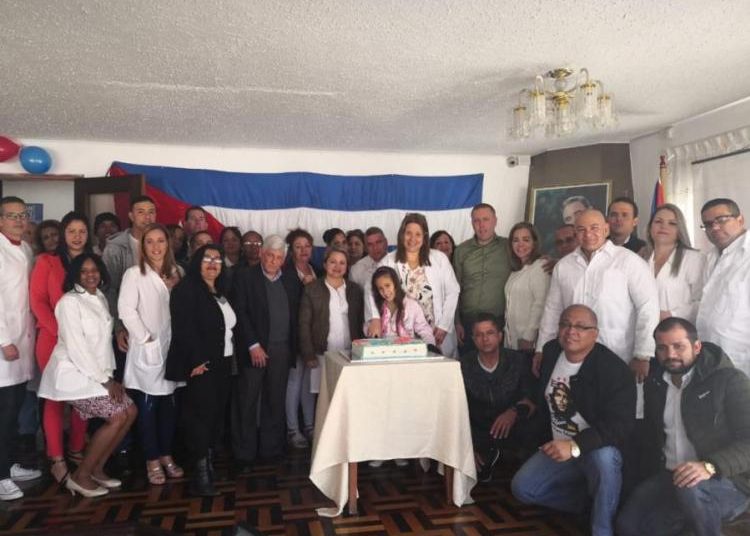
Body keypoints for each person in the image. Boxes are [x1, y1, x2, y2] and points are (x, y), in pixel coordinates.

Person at [617, 317, 750, 536]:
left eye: (679, 346)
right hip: (669, 476)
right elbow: (645, 434)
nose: (670, 355)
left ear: (696, 347)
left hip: (726, 479)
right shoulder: (655, 383)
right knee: (627, 526)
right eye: (662, 348)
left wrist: (709, 466)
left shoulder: (730, 380)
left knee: (690, 489)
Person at [512, 305, 636, 536]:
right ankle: (590, 505)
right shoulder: (550, 352)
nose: (571, 331)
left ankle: (602, 528)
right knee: (523, 488)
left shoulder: (613, 369)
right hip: (557, 446)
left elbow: (620, 426)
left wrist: (576, 445)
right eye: (566, 324)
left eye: (581, 327)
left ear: (595, 334)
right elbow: (540, 393)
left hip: (594, 448)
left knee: (604, 458)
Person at [38, 254, 137, 497]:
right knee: (117, 415)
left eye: (94, 270)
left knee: (130, 411)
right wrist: (105, 381)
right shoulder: (69, 302)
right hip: (73, 374)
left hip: (96, 373)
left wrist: (109, 376)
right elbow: (77, 348)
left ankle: (96, 469)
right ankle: (80, 476)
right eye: (84, 271)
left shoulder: (100, 297)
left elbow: (102, 346)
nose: (90, 275)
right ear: (75, 275)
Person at [534, 210, 659, 390]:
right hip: (573, 354)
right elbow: (552, 311)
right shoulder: (564, 266)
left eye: (595, 228)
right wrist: (541, 349)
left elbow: (648, 307)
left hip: (618, 352)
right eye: (581, 230)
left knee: (615, 407)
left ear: (606, 229)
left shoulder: (629, 261)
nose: (588, 234)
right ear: (575, 233)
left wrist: (643, 354)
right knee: (576, 408)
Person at [165, 244, 236, 496]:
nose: (212, 263)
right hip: (201, 365)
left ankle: (209, 467)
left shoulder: (220, 290)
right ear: (197, 262)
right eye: (207, 258)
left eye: (217, 259)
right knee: (200, 418)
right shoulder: (187, 290)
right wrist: (194, 361)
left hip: (223, 362)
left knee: (215, 416)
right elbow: (183, 329)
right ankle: (201, 476)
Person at [118, 224, 184, 486]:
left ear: (168, 244)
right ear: (142, 247)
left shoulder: (176, 273)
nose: (156, 247)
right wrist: (146, 339)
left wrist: (172, 289)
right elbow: (126, 309)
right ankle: (152, 459)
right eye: (150, 242)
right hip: (148, 350)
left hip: (172, 350)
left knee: (169, 406)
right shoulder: (134, 274)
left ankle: (166, 454)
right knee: (148, 408)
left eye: (161, 241)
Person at [30, 211, 93, 483]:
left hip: (87, 344)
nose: (77, 236)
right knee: (55, 400)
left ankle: (77, 450)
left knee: (83, 399)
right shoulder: (48, 261)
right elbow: (38, 302)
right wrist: (62, 333)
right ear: (63, 235)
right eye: (71, 231)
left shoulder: (92, 263)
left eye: (82, 231)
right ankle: (56, 457)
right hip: (54, 342)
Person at [231, 235, 301, 468]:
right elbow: (240, 313)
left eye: (278, 257)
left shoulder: (291, 279)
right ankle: (244, 452)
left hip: (282, 348)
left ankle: (271, 449)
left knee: (275, 399)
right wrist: (253, 344)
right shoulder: (245, 277)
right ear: (262, 254)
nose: (273, 261)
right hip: (255, 350)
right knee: (248, 400)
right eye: (270, 255)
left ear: (284, 260)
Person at [366, 213, 460, 357]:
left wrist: (444, 326)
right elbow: (370, 287)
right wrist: (375, 318)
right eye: (408, 233)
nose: (413, 239)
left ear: (424, 236)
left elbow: (453, 291)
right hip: (403, 334)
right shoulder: (389, 260)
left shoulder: (439, 259)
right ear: (402, 234)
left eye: (418, 234)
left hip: (436, 332)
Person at [0, 196, 41, 501]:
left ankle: (9, 465)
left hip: (23, 342)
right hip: (6, 345)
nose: (17, 220)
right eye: (11, 215)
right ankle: (1, 477)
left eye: (22, 215)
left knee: (13, 413)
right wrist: (3, 340)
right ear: (0, 220)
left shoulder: (25, 249)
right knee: (3, 413)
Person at [461, 313, 534, 482]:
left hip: (513, 428)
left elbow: (532, 401)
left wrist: (513, 412)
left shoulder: (518, 361)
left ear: (500, 336)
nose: (485, 339)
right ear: (473, 339)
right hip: (480, 431)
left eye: (490, 333)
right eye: (479, 335)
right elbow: (457, 409)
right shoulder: (464, 365)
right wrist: (466, 444)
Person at [696, 198, 750, 376]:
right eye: (708, 224)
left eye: (721, 220)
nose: (715, 228)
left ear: (740, 219)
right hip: (709, 357)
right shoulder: (711, 257)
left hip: (741, 360)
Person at [453, 203, 511, 354]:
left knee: (499, 370)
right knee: (468, 368)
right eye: (476, 220)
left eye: (486, 219)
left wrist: (549, 261)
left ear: (495, 220)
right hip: (468, 323)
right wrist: (457, 322)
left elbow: (529, 263)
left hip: (499, 322)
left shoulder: (509, 247)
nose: (481, 225)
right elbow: (454, 289)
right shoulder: (461, 250)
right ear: (472, 222)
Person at [103, 195, 157, 353]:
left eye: (151, 212)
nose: (147, 217)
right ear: (131, 216)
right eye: (141, 212)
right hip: (127, 324)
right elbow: (110, 290)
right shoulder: (115, 247)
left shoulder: (161, 242)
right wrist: (119, 327)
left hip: (156, 322)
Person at [284, 228, 320, 449]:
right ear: (291, 250)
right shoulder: (286, 273)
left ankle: (309, 425)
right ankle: (292, 429)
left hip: (314, 337)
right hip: (294, 336)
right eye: (298, 246)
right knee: (294, 383)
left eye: (307, 246)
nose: (303, 250)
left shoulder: (317, 270)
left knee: (309, 383)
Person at [642, 204, 705, 323]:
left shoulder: (694, 259)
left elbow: (702, 302)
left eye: (672, 223)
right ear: (650, 228)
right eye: (658, 221)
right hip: (644, 330)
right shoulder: (641, 260)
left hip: (678, 331)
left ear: (680, 230)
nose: (663, 226)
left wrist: (671, 314)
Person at [504, 222, 550, 352]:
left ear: (534, 243)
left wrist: (529, 337)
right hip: (511, 339)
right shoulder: (515, 271)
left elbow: (540, 304)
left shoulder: (540, 266)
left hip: (528, 341)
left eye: (526, 240)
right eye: (515, 240)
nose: (520, 245)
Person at [370, 266, 435, 343]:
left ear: (395, 283)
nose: (385, 292)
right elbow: (369, 331)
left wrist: (430, 347)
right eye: (381, 289)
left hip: (407, 352)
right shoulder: (376, 308)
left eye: (388, 285)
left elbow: (424, 330)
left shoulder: (411, 305)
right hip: (383, 352)